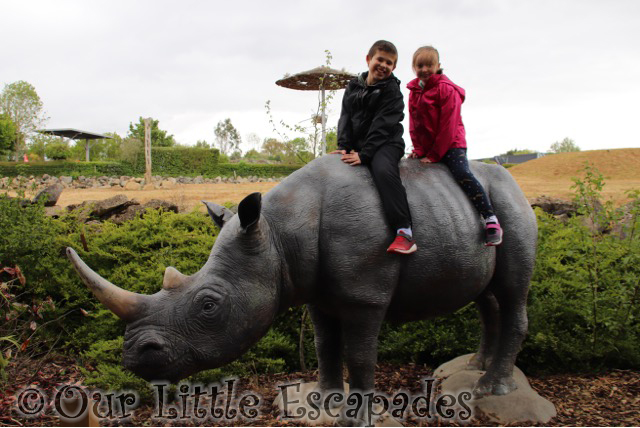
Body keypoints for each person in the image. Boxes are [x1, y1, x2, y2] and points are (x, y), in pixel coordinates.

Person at [407, 46, 503, 246]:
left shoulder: (446, 89)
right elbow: (414, 123)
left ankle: (490, 219)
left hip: (451, 144)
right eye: (419, 65)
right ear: (413, 67)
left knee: (462, 173)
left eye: (429, 65)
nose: (424, 69)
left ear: (439, 66)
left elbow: (447, 126)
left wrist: (434, 155)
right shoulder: (414, 90)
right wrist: (418, 149)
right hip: (428, 148)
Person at [333, 40, 416, 254]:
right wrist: (344, 146)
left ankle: (404, 231)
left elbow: (382, 125)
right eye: (380, 59)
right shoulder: (353, 85)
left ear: (394, 68)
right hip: (361, 145)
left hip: (386, 143)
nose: (383, 65)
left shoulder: (392, 92)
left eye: (389, 63)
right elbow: (345, 117)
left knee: (382, 170)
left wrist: (365, 155)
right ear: (368, 59)